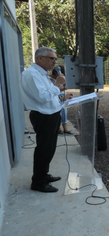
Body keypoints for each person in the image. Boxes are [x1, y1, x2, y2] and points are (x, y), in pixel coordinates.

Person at [20, 47, 73, 192]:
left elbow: (47, 95)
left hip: (52, 114)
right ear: (40, 58)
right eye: (52, 59)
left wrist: (62, 95)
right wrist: (57, 85)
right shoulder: (31, 75)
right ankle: (38, 182)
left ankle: (44, 174)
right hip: (44, 116)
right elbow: (42, 98)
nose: (54, 62)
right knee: (44, 149)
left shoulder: (42, 74)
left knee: (49, 149)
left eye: (55, 59)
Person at [48, 65, 73, 135]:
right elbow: (53, 89)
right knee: (57, 112)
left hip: (62, 95)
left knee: (64, 112)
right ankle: (58, 128)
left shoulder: (61, 78)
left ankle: (65, 128)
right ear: (56, 73)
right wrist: (63, 88)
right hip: (55, 97)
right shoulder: (49, 79)